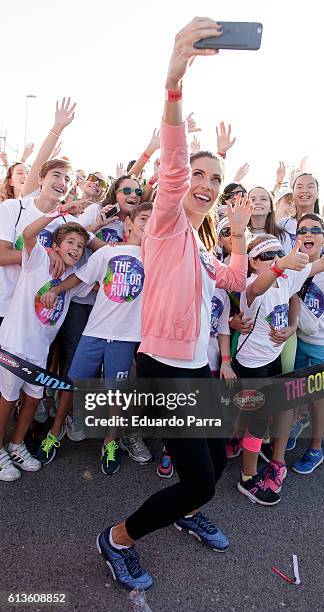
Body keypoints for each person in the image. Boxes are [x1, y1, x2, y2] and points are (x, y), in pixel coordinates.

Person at [95, 17, 252, 591]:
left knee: (210, 457)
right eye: (202, 176)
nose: (207, 184)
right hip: (164, 372)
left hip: (198, 370)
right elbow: (172, 166)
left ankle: (181, 511)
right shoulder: (163, 225)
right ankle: (117, 539)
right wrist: (174, 82)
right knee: (200, 482)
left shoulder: (203, 241)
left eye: (218, 177)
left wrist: (235, 229)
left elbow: (234, 280)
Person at [35, 203, 153, 471]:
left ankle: (110, 443)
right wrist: (56, 290)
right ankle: (54, 434)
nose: (149, 223)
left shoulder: (157, 258)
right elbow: (79, 277)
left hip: (125, 337)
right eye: (144, 218)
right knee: (72, 386)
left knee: (116, 395)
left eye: (154, 219)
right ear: (129, 225)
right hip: (94, 331)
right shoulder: (108, 253)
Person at [0, 204, 90, 482]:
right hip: (15, 346)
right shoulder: (38, 258)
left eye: (80, 245)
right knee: (6, 399)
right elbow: (28, 234)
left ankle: (16, 445)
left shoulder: (72, 280)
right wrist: (57, 213)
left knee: (32, 400)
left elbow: (98, 279)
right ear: (55, 245)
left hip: (39, 353)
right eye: (70, 242)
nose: (75, 248)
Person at [233, 234, 324, 505]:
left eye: (277, 253)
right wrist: (280, 264)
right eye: (267, 256)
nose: (274, 259)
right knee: (256, 422)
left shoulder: (286, 278)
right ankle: (248, 478)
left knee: (263, 418)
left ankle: (246, 451)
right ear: (252, 262)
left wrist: (293, 323)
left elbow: (313, 272)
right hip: (251, 364)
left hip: (272, 360)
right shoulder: (251, 283)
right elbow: (257, 290)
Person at [290, 213, 324, 474]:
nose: (309, 233)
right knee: (297, 394)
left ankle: (315, 447)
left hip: (320, 347)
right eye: (303, 230)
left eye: (316, 229)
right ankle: (297, 424)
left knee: (318, 401)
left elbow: (312, 325)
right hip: (297, 343)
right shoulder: (293, 267)